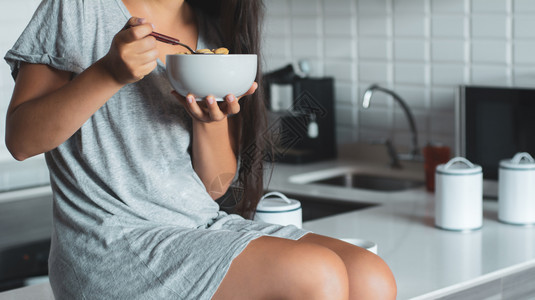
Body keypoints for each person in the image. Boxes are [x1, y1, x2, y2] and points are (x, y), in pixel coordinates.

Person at [4, 0, 397, 299]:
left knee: (370, 275)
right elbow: (21, 141)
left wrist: (211, 123)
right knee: (317, 273)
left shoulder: (210, 30)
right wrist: (108, 73)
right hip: (110, 244)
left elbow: (212, 189)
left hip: (197, 225)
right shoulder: (77, 8)